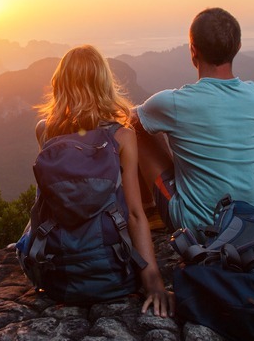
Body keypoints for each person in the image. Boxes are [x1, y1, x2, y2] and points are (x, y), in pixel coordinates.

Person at [35, 44, 173, 317]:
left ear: (60, 84)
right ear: (104, 83)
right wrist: (153, 280)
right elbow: (134, 213)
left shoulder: (45, 131)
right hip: (113, 274)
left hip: (57, 277)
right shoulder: (122, 136)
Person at [133, 7, 254, 234]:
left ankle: (150, 213)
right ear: (238, 48)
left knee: (138, 129)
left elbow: (128, 117)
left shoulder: (174, 103)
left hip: (197, 226)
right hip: (252, 222)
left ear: (193, 50)